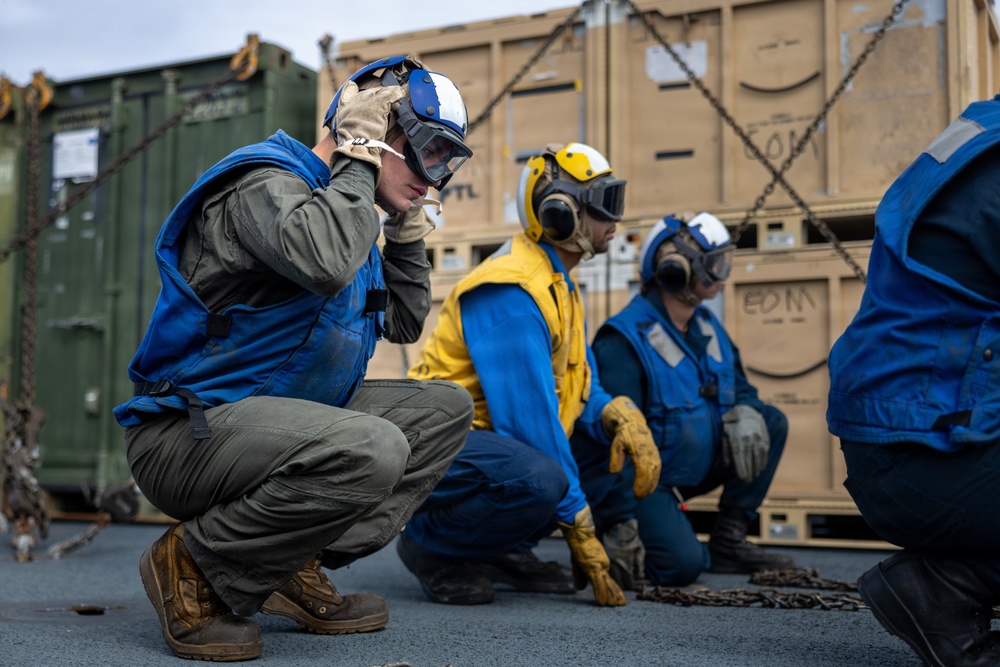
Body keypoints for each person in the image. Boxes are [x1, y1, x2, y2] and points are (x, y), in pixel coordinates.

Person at [112, 55, 476, 661]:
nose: (433, 179)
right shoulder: (264, 184)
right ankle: (194, 563)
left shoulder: (350, 215)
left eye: (446, 162)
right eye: (427, 153)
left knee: (442, 411)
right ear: (373, 126)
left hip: (270, 428)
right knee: (373, 446)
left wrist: (406, 235)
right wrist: (360, 156)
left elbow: (403, 322)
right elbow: (324, 262)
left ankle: (282, 561)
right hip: (187, 434)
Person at [399, 142, 662, 607]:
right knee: (539, 477)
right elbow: (531, 425)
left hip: (486, 446)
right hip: (439, 444)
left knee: (606, 445)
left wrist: (611, 413)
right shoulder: (511, 291)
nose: (616, 219)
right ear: (560, 213)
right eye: (606, 204)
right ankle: (431, 545)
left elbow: (579, 386)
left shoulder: (560, 284)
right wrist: (580, 525)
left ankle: (501, 549)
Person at [827, 96, 1000, 666]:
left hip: (912, 439)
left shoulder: (980, 133)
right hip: (926, 453)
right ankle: (947, 589)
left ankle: (951, 580)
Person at [572, 213, 793, 590]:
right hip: (643, 483)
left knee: (769, 422)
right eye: (714, 265)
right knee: (683, 566)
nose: (722, 276)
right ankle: (623, 536)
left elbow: (739, 386)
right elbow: (615, 447)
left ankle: (729, 540)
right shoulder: (623, 340)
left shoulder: (705, 324)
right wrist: (621, 522)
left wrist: (747, 409)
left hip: (690, 463)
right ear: (675, 272)